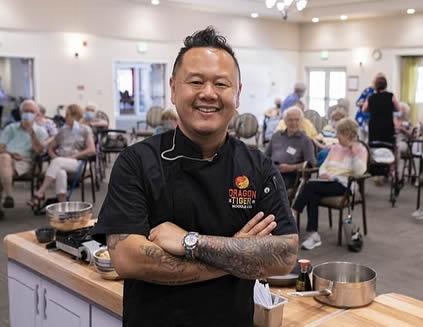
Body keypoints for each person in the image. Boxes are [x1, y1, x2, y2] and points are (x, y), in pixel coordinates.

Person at [91, 26, 298, 327]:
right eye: (196, 81)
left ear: (237, 94)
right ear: (174, 89)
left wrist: (191, 242)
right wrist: (238, 253)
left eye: (222, 84)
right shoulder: (136, 162)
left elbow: (284, 255)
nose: (208, 94)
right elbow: (127, 258)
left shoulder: (258, 166)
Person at [292, 118, 367, 250]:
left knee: (310, 186)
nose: (336, 136)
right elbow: (323, 166)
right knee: (312, 194)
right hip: (327, 183)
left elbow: (360, 171)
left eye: (339, 134)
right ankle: (313, 234)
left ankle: (292, 214)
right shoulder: (336, 148)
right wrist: (324, 174)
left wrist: (354, 152)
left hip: (345, 185)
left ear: (348, 134)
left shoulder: (360, 149)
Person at [29, 104, 95, 204]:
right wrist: (53, 156)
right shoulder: (63, 130)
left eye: (67, 115)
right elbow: (50, 147)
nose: (65, 117)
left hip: (78, 162)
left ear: (75, 116)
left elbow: (91, 150)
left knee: (58, 162)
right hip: (61, 162)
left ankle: (40, 192)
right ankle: (63, 204)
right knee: (60, 172)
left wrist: (73, 156)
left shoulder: (85, 129)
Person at [0, 100, 47, 216]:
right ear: (21, 113)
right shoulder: (11, 128)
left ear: (36, 114)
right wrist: (11, 154)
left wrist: (31, 132)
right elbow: (1, 147)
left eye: (31, 111)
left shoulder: (40, 131)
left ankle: (8, 196)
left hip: (25, 162)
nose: (28, 113)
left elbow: (39, 151)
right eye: (26, 111)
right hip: (7, 158)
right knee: (4, 157)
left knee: (2, 161)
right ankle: (9, 196)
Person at [265, 106, 316, 190]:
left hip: (291, 175)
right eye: (290, 120)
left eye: (297, 120)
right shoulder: (277, 136)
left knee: (271, 189)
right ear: (285, 121)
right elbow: (265, 156)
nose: (293, 123)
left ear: (301, 122)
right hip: (271, 171)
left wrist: (291, 167)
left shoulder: (305, 140)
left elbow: (311, 164)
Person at [363, 74, 400, 144]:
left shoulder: (371, 97)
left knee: (373, 146)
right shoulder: (391, 96)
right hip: (387, 126)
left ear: (375, 86)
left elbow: (364, 109)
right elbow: (398, 108)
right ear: (385, 85)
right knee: (389, 145)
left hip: (374, 127)